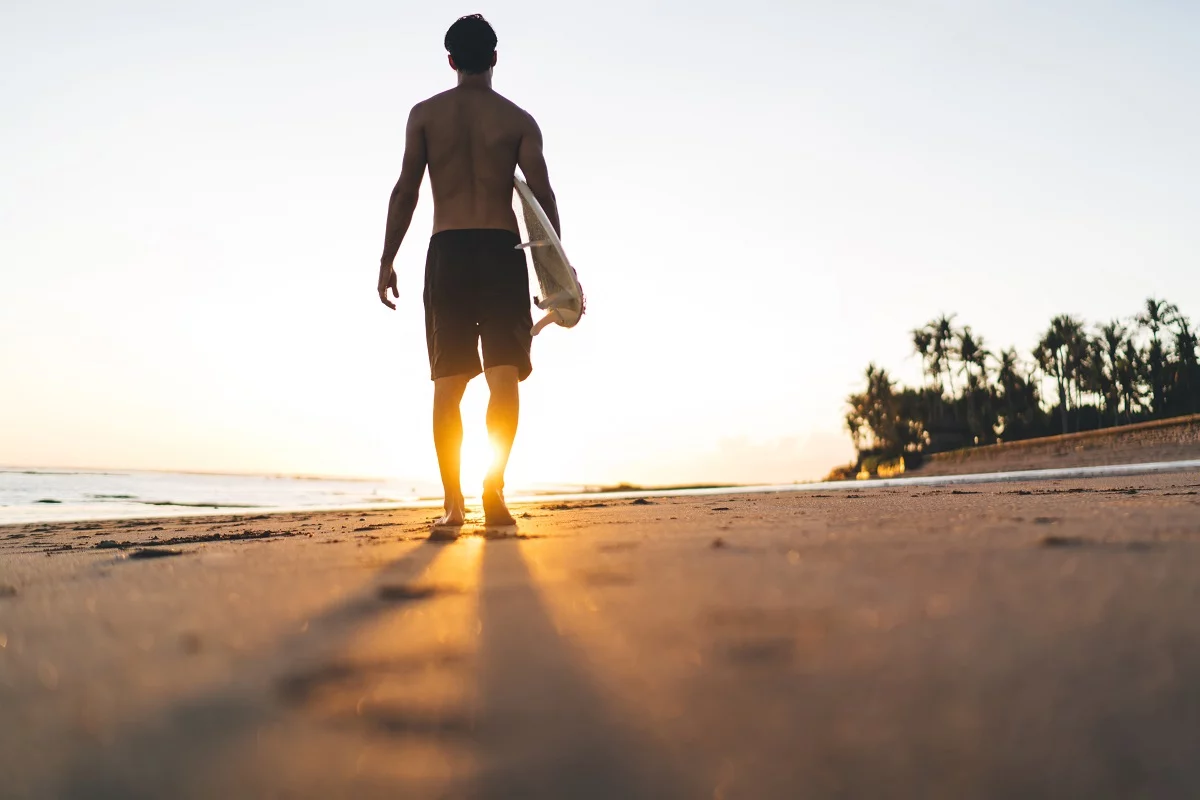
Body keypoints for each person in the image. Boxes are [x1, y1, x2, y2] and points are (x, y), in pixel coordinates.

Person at [376, 14, 561, 529]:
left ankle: (453, 505)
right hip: (502, 252)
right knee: (504, 377)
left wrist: (388, 258)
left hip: (449, 252)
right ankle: (494, 493)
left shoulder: (425, 116)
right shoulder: (518, 121)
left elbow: (405, 192)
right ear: (495, 58)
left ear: (451, 60)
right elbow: (543, 201)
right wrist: (557, 278)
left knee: (449, 383)